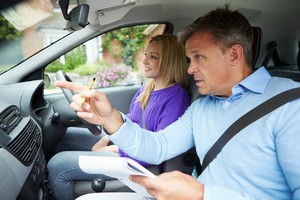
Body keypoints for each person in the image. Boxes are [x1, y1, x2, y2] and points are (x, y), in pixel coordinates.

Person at [55, 4, 300, 200]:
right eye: (188, 59)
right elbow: (158, 145)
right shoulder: (203, 107)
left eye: (198, 57)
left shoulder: (291, 104)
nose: (190, 69)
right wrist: (111, 119)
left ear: (234, 55)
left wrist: (204, 195)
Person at [47, 34, 191, 200]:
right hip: (125, 144)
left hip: (136, 162)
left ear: (169, 61)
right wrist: (106, 137)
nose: (144, 61)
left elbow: (156, 149)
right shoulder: (147, 88)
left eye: (153, 57)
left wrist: (112, 148)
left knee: (58, 165)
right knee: (64, 137)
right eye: (146, 55)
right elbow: (131, 118)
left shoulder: (177, 98)